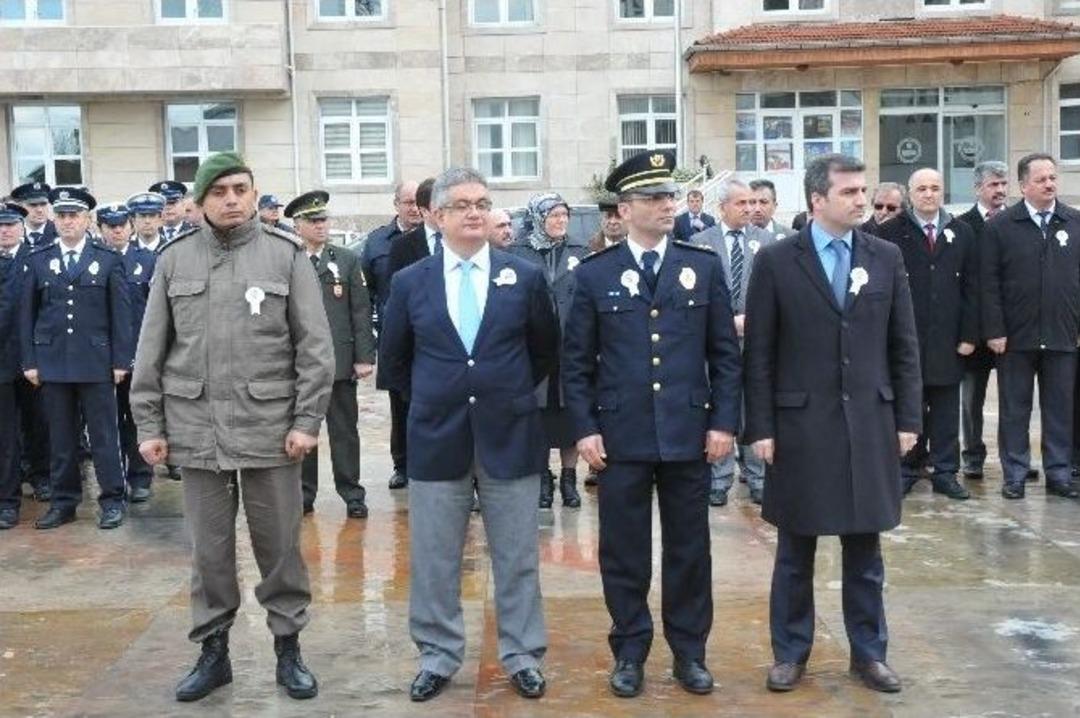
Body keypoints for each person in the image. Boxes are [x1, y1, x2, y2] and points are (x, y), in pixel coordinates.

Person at [131, 152, 334, 702]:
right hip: (196, 429)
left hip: (271, 430)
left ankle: (288, 649)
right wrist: (149, 423)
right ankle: (213, 651)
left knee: (280, 548)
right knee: (209, 552)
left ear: (252, 193)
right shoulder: (175, 260)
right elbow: (151, 350)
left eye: (241, 188)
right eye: (219, 191)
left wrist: (307, 419)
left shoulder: (284, 255)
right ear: (200, 201)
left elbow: (315, 348)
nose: (232, 200)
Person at [562, 151, 742, 698]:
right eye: (654, 198)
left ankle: (690, 652)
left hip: (689, 433)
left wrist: (723, 423)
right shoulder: (595, 274)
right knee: (624, 550)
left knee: (690, 550)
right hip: (622, 437)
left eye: (669, 196)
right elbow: (576, 363)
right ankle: (631, 650)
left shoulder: (702, 265)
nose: (668, 206)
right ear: (624, 209)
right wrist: (585, 428)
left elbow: (724, 355)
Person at [743, 153, 921, 694]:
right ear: (817, 199)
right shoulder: (776, 261)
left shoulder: (885, 256)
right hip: (801, 425)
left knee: (865, 550)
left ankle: (869, 653)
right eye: (849, 192)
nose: (861, 200)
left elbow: (903, 345)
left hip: (869, 420)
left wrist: (908, 419)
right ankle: (790, 653)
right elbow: (761, 355)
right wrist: (762, 428)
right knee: (796, 549)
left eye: (863, 190)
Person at [379, 167, 558, 702]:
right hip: (438, 437)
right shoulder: (411, 282)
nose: (475, 212)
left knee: (518, 555)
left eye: (482, 202)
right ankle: (437, 655)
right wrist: (443, 395)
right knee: (435, 558)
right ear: (436, 216)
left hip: (511, 435)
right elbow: (395, 362)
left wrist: (503, 391)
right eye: (461, 205)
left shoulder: (522, 276)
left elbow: (543, 349)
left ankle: (522, 653)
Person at [20, 187, 134, 530]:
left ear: (87, 220)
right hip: (53, 363)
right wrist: (30, 361)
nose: (68, 221)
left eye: (75, 216)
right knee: (61, 439)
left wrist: (120, 361)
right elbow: (27, 315)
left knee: (103, 437)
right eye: (63, 216)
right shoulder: (38, 259)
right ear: (55, 219)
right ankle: (64, 502)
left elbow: (121, 316)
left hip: (96, 363)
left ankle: (112, 499)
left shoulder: (108, 258)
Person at [981, 153, 1080, 500]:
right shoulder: (1000, 227)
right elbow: (988, 284)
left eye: (1053, 177)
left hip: (1062, 335)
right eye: (1041, 179)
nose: (1050, 184)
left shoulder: (1074, 222)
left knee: (1060, 409)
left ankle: (1059, 472)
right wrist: (994, 330)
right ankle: (1015, 474)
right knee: (1014, 410)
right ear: (1023, 185)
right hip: (1014, 338)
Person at [878, 168, 977, 499]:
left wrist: (969, 335)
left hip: (949, 339)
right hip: (906, 338)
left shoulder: (962, 232)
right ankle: (908, 467)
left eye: (935, 188)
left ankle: (946, 471)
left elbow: (973, 289)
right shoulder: (890, 232)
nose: (929, 194)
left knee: (947, 408)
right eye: (922, 188)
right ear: (910, 193)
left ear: (943, 191)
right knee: (910, 406)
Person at [284, 190, 376, 519]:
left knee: (345, 433)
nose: (321, 225)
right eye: (314, 220)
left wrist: (364, 356)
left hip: (338, 363)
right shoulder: (289, 259)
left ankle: (352, 493)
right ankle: (303, 495)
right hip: (299, 365)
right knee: (302, 430)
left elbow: (361, 312)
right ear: (297, 225)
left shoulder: (346, 260)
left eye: (324, 219)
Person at [690, 177, 774, 506]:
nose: (750, 209)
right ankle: (718, 478)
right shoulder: (699, 242)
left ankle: (758, 478)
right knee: (720, 405)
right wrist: (725, 323)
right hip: (715, 341)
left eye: (754, 203)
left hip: (757, 340)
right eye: (742, 203)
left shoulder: (767, 242)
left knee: (754, 406)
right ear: (722, 207)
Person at [507, 193, 588, 508]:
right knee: (538, 417)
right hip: (533, 351)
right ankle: (543, 478)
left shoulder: (580, 251)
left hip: (572, 349)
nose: (560, 221)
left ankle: (569, 478)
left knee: (571, 417)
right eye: (553, 216)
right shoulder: (518, 252)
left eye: (564, 216)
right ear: (538, 218)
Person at [381, 177, 438, 490]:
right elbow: (394, 295)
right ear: (426, 209)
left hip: (447, 343)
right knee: (403, 406)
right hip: (413, 341)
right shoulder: (404, 245)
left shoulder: (459, 241)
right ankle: (403, 464)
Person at [956, 161, 1010, 480]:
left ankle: (1012, 457)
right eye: (993, 184)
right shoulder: (962, 226)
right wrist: (968, 332)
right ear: (978, 188)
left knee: (1013, 399)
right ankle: (972, 454)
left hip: (1012, 330)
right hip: (974, 333)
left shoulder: (1019, 222)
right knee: (971, 398)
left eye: (1004, 184)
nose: (1000, 190)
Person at [0, 204, 25, 529]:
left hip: (8, 365)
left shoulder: (15, 264)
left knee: (7, 438)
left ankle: (7, 501)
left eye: (9, 225)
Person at [11, 182, 57, 247]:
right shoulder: (10, 234)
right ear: (20, 207)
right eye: (33, 205)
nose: (39, 210)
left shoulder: (60, 233)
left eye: (43, 204)